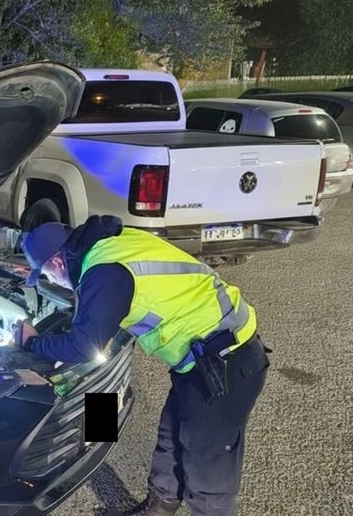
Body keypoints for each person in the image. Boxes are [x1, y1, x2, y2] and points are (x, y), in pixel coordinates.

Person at [15, 215, 270, 516]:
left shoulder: (104, 271)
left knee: (207, 467)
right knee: (171, 439)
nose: (49, 281)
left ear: (58, 263)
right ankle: (159, 508)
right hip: (202, 358)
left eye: (45, 274)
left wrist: (32, 342)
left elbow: (84, 347)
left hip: (226, 363)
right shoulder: (111, 244)